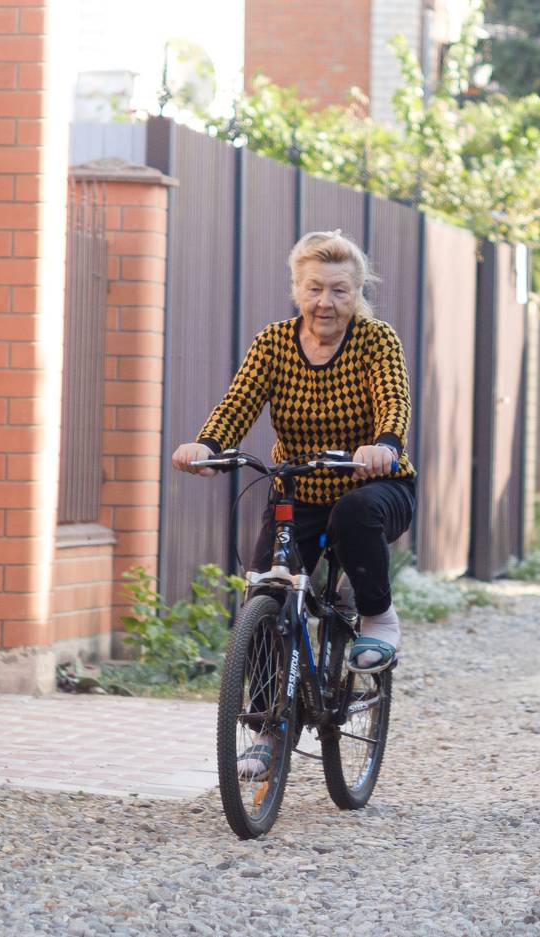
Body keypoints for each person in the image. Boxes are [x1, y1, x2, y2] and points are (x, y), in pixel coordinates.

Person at [171, 230, 417, 776]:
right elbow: (238, 402)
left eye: (339, 290)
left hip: (375, 487)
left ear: (357, 293)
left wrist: (383, 446)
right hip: (299, 489)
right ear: (296, 289)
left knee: (354, 513)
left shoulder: (376, 341)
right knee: (266, 592)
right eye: (314, 288)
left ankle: (377, 615)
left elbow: (394, 401)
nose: (325, 302)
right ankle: (265, 730)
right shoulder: (274, 343)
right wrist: (208, 445)